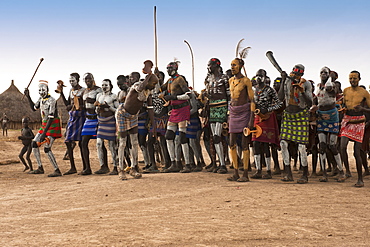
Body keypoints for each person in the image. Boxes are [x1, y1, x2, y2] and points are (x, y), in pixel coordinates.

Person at [116, 60, 158, 180]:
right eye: (153, 83)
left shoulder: (148, 92)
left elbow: (150, 108)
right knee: (123, 143)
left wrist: (153, 125)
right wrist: (149, 74)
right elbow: (141, 87)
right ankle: (121, 169)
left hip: (134, 116)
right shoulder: (137, 86)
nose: (154, 86)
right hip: (122, 114)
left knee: (135, 142)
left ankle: (134, 168)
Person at [278, 64, 312, 183]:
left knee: (302, 146)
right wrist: (283, 81)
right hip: (288, 115)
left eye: (298, 74)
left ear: (302, 75)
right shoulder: (287, 82)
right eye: (294, 73)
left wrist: (302, 91)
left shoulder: (306, 84)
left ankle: (304, 175)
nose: (295, 76)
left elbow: (310, 102)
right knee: (283, 143)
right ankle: (288, 173)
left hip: (301, 115)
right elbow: (280, 97)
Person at [312, 67, 345, 182]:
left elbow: (330, 89)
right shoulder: (318, 87)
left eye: (325, 73)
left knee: (332, 145)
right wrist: (313, 107)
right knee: (322, 145)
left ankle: (341, 171)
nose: (322, 74)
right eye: (321, 72)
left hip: (332, 116)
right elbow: (316, 99)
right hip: (321, 116)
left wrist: (330, 77)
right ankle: (324, 173)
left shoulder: (332, 86)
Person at [24, 80, 63, 177]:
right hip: (44, 124)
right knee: (34, 144)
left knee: (47, 148)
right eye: (40, 90)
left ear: (47, 90)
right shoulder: (41, 99)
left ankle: (57, 170)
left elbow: (51, 117)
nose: (41, 92)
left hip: (52, 125)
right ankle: (40, 167)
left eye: (43, 90)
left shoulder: (52, 100)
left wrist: (44, 134)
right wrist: (28, 96)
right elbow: (34, 108)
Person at [160, 61, 192, 173]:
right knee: (168, 136)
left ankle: (187, 164)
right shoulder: (169, 81)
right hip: (174, 110)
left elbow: (188, 94)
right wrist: (154, 77)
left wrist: (174, 97)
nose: (168, 71)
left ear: (175, 69)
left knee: (182, 137)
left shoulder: (180, 79)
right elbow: (160, 88)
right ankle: (174, 163)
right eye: (167, 68)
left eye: (169, 68)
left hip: (183, 109)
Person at [339, 71, 370, 187]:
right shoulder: (346, 90)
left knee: (357, 152)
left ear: (359, 79)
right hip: (347, 120)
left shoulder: (364, 92)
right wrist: (343, 109)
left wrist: (362, 108)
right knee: (342, 147)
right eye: (350, 78)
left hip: (359, 122)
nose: (352, 80)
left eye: (355, 78)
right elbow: (343, 104)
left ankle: (360, 179)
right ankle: (347, 171)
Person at [251, 69, 282, 179]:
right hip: (257, 117)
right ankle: (258, 170)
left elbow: (278, 104)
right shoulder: (254, 90)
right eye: (257, 76)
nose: (258, 78)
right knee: (255, 143)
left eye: (261, 76)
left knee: (265, 144)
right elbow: (252, 104)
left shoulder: (270, 90)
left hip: (268, 117)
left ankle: (268, 171)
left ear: (265, 77)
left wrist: (268, 109)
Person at [227, 58, 255, 182]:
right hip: (233, 112)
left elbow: (252, 100)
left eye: (235, 65)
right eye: (231, 65)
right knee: (231, 142)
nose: (232, 67)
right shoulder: (231, 80)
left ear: (241, 66)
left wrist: (251, 120)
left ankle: (245, 174)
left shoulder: (246, 81)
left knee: (244, 143)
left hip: (244, 113)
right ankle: (236, 172)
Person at [203, 58, 230, 173]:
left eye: (210, 65)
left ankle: (223, 164)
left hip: (222, 107)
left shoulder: (224, 78)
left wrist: (229, 111)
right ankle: (218, 163)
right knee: (214, 138)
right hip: (212, 108)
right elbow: (208, 93)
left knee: (217, 136)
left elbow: (229, 95)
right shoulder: (208, 78)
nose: (209, 67)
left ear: (216, 65)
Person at [57, 73, 86, 175]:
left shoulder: (83, 91)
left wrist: (79, 105)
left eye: (73, 81)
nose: (71, 83)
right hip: (72, 117)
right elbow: (67, 105)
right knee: (68, 141)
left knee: (82, 144)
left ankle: (85, 167)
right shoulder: (71, 91)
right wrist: (62, 93)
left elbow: (85, 105)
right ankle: (72, 167)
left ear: (78, 80)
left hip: (81, 118)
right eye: (70, 81)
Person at [80, 73, 103, 175]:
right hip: (88, 119)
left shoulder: (98, 90)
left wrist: (93, 101)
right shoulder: (84, 91)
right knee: (83, 142)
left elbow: (101, 101)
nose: (88, 81)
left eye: (89, 79)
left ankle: (104, 166)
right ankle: (87, 168)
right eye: (86, 80)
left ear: (93, 79)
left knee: (100, 143)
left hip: (97, 118)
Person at [95, 79, 120, 175]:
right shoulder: (99, 96)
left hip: (110, 122)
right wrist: (98, 109)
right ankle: (103, 166)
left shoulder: (113, 96)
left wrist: (108, 107)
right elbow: (95, 110)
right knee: (98, 144)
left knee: (112, 146)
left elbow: (117, 110)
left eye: (106, 85)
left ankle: (115, 167)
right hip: (101, 122)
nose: (104, 87)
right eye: (103, 85)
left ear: (110, 86)